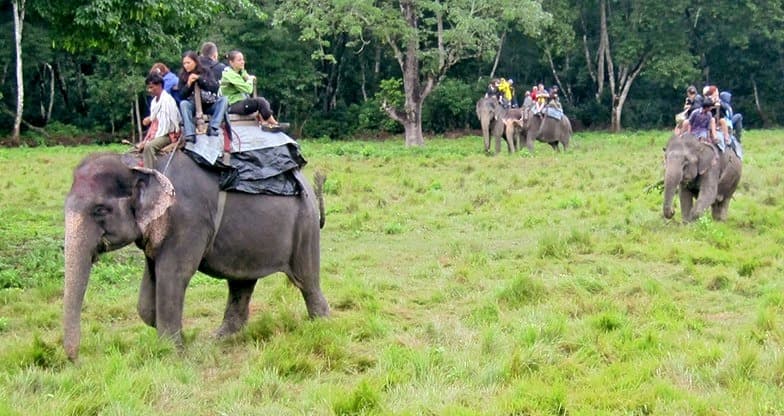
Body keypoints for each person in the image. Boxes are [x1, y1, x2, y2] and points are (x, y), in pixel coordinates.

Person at [178, 50, 228, 141]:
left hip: (208, 103)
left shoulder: (205, 71)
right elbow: (181, 95)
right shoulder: (182, 75)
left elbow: (214, 87)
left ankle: (213, 127)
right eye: (184, 63)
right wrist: (188, 84)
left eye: (188, 62)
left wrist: (200, 79)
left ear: (195, 61)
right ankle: (190, 133)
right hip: (193, 105)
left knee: (224, 100)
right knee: (183, 104)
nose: (186, 65)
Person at [220, 50, 279, 125]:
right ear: (231, 63)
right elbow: (248, 89)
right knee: (260, 102)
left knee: (264, 101)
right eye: (239, 60)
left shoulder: (239, 71)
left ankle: (267, 121)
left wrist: (247, 75)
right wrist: (250, 79)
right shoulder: (229, 74)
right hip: (232, 105)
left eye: (243, 59)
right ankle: (273, 123)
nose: (242, 62)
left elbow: (245, 75)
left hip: (240, 102)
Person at [137, 73, 181, 169]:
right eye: (148, 88)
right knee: (136, 149)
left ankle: (149, 173)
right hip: (158, 132)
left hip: (167, 134)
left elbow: (166, 126)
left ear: (159, 85)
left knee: (149, 147)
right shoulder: (154, 102)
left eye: (152, 87)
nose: (150, 90)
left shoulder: (167, 101)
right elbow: (154, 121)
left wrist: (149, 141)